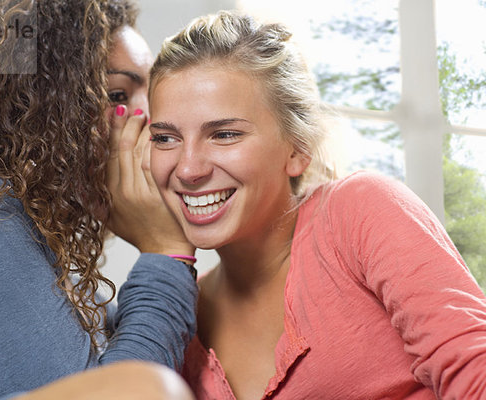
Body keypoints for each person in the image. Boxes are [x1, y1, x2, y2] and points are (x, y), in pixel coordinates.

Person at [147, 10, 486, 400]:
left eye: (224, 134)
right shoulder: (177, 315)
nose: (188, 169)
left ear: (299, 149)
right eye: (166, 139)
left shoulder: (358, 211)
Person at [0, 0, 198, 399]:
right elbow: (126, 390)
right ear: (43, 104)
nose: (150, 120)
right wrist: (167, 252)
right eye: (118, 93)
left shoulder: (25, 227)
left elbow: (111, 357)